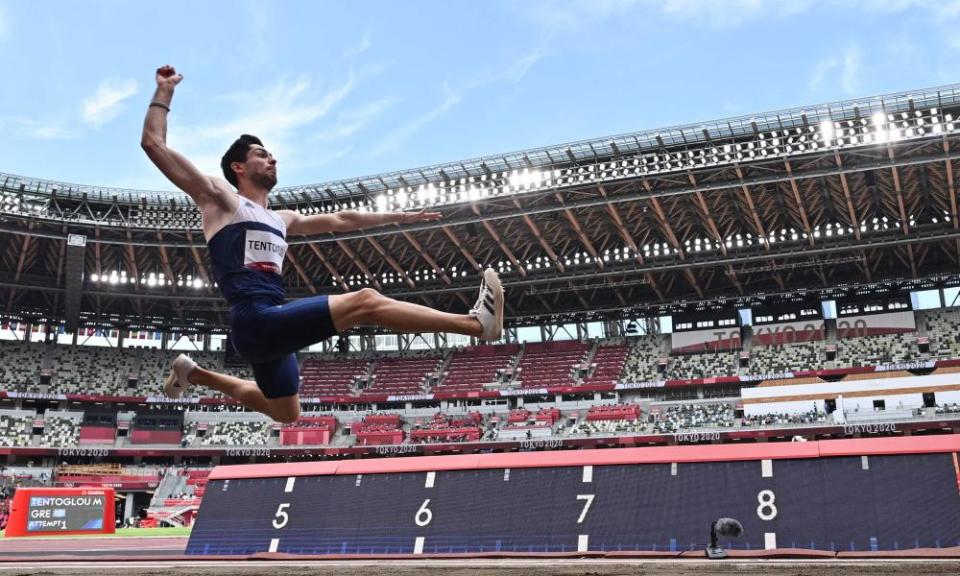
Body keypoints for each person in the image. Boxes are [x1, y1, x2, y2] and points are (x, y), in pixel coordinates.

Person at [141, 65, 503, 424]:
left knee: (286, 412)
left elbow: (343, 219)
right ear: (238, 166)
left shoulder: (283, 220)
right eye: (262, 154)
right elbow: (153, 144)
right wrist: (165, 91)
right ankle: (475, 325)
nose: (273, 158)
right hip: (254, 320)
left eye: (271, 154)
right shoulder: (221, 201)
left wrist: (398, 217)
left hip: (271, 321)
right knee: (366, 301)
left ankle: (195, 374)